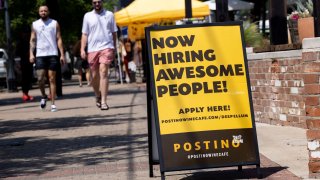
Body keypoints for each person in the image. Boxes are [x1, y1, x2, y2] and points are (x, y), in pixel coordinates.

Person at [81, 0, 117, 110]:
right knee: (94, 76)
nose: (97, 4)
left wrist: (114, 47)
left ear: (102, 2)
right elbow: (85, 34)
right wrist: (82, 49)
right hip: (92, 49)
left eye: (99, 2)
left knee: (104, 72)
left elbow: (114, 32)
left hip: (107, 47)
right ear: (92, 3)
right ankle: (98, 95)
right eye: (94, 2)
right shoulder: (87, 16)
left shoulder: (110, 14)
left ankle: (104, 101)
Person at [29, 5, 65, 112]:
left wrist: (62, 54)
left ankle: (53, 103)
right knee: (40, 78)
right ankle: (44, 96)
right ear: (39, 12)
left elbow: (59, 38)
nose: (43, 12)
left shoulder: (54, 23)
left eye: (45, 11)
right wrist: (31, 53)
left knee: (52, 79)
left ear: (48, 12)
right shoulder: (35, 24)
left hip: (52, 54)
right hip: (40, 55)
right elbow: (32, 40)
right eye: (41, 11)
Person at [16, 26, 34, 102]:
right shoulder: (20, 43)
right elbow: (17, 54)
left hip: (29, 62)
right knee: (24, 78)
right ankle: (24, 94)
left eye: (27, 33)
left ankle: (26, 93)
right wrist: (18, 64)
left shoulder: (30, 42)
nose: (26, 34)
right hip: (23, 62)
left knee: (29, 78)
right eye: (24, 33)